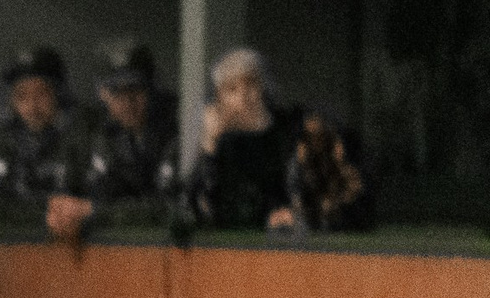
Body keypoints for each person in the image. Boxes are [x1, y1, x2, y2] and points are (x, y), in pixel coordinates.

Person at [188, 47, 369, 232]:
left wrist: (302, 215)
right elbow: (204, 213)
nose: (244, 98)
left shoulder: (298, 131)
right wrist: (210, 146)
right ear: (218, 101)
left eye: (251, 85)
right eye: (232, 90)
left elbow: (345, 198)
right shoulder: (220, 149)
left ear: (264, 89)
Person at [48, 40, 179, 238]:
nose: (127, 102)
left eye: (135, 89)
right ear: (102, 93)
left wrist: (94, 212)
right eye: (115, 91)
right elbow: (90, 191)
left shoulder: (175, 128)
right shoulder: (98, 130)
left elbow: (168, 208)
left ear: (152, 88)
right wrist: (63, 211)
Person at [0, 45, 76, 226]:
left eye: (41, 93)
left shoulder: (79, 137)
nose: (32, 106)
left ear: (59, 95)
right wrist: (42, 216)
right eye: (21, 96)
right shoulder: (4, 142)